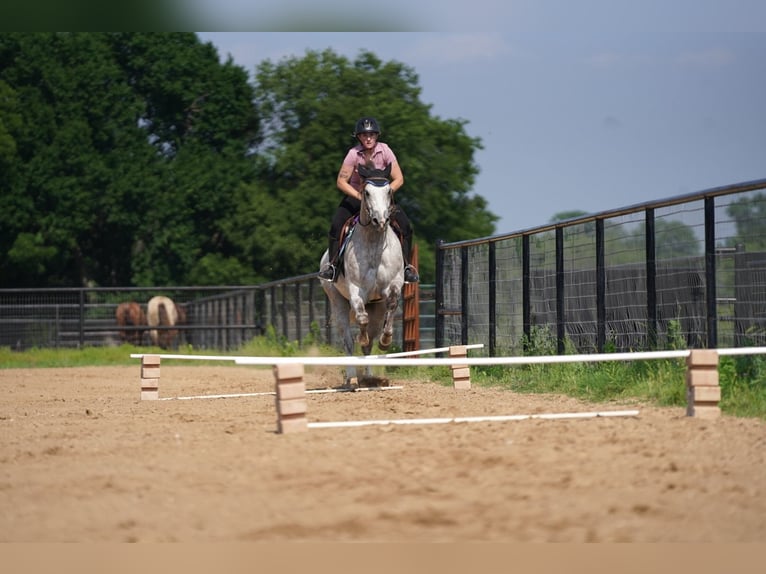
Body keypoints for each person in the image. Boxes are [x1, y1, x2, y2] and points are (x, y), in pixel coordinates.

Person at [318, 117, 420, 284]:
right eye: (364, 135)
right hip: (357, 197)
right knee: (336, 225)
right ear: (359, 137)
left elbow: (399, 178)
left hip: (381, 198)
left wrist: (383, 194)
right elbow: (341, 181)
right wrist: (360, 197)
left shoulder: (385, 150)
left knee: (405, 225)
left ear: (376, 136)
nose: (368, 138)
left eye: (371, 135)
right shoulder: (353, 154)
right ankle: (333, 266)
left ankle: (406, 267)